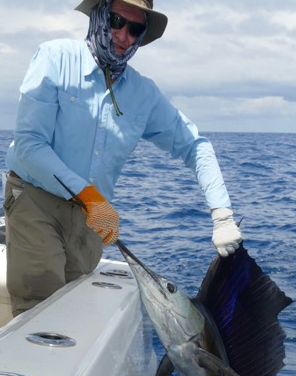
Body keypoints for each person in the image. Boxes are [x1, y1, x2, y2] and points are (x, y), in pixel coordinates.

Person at [3, 0, 242, 317]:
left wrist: (222, 214)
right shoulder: (54, 57)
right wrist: (90, 197)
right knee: (42, 308)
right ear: (100, 15)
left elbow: (195, 146)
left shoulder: (144, 94)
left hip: (90, 221)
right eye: (116, 21)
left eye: (135, 29)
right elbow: (30, 145)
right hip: (36, 201)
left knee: (74, 308)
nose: (123, 36)